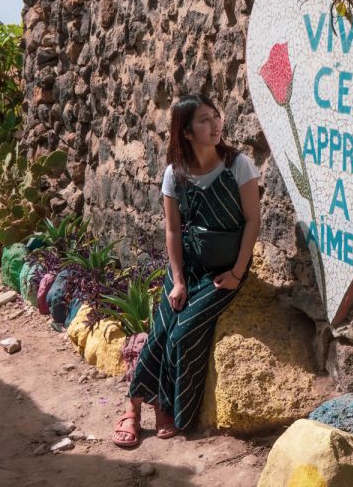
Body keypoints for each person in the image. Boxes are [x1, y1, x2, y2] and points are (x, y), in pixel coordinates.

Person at [113, 94, 261, 447]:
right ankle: (133, 406)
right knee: (161, 329)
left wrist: (237, 273)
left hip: (224, 271)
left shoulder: (238, 166)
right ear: (186, 132)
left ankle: (169, 407)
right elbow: (173, 231)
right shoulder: (174, 175)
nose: (214, 125)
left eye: (215, 117)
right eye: (204, 120)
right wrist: (177, 280)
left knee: (182, 333)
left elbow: (253, 222)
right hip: (187, 268)